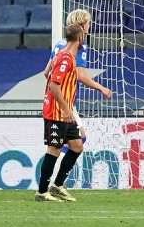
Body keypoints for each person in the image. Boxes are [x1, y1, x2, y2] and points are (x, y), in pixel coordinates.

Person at [43, 9, 113, 150]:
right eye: (88, 23)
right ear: (83, 25)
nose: (89, 26)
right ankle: (59, 162)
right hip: (65, 101)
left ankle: (60, 160)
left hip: (55, 100)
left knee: (73, 141)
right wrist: (101, 88)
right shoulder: (80, 45)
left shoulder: (60, 44)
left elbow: (46, 72)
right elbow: (80, 75)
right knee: (74, 140)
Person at [36, 23, 85, 202]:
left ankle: (57, 185)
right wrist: (64, 108)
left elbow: (46, 73)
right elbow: (53, 84)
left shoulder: (63, 55)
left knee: (77, 146)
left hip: (65, 111)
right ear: (80, 38)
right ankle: (42, 192)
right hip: (57, 112)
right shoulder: (66, 58)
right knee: (54, 149)